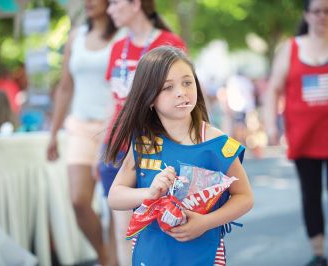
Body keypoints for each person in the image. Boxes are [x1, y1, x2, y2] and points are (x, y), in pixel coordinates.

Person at [104, 46, 254, 265]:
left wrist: (205, 222)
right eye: (168, 87)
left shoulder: (217, 143)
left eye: (187, 82)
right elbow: (115, 197)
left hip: (204, 255)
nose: (181, 91)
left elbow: (245, 197)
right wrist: (150, 192)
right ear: (149, 98)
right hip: (152, 255)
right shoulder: (145, 143)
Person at [265, 0, 328, 265]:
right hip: (304, 136)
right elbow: (273, 88)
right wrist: (271, 125)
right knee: (311, 193)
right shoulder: (290, 49)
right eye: (316, 11)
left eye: (327, 11)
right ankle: (318, 254)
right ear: (307, 15)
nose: (322, 16)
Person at [99, 1, 186, 264]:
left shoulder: (169, 42)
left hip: (155, 145)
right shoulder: (116, 48)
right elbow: (110, 102)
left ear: (135, 4)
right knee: (124, 232)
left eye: (114, 3)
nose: (109, 9)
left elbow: (184, 100)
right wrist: (101, 151)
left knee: (163, 227)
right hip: (117, 146)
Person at [46, 0, 118, 265]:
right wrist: (53, 133)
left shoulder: (122, 34)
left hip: (113, 129)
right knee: (78, 200)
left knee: (114, 205)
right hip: (79, 127)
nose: (87, 2)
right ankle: (106, 257)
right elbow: (65, 87)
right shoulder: (75, 36)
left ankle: (116, 256)